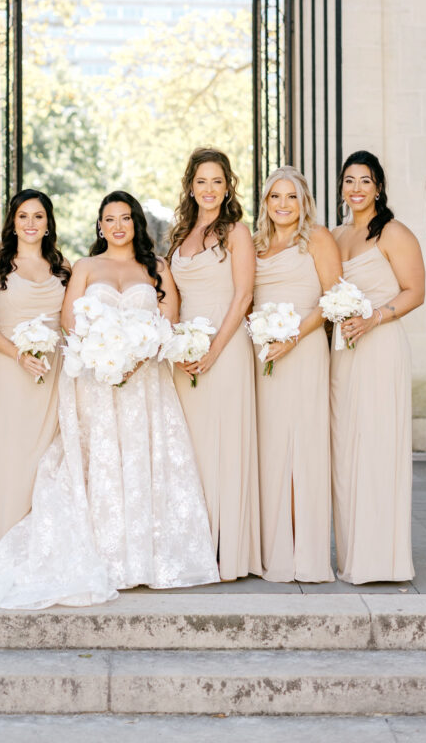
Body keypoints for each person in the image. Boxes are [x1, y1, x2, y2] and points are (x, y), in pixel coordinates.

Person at [0, 191, 218, 609]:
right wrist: (101, 354)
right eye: (109, 219)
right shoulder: (82, 266)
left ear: (136, 224)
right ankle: (106, 556)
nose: (117, 226)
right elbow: (68, 321)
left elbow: (170, 323)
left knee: (142, 462)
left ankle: (147, 561)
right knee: (100, 466)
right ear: (99, 226)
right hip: (95, 380)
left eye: (125, 218)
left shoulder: (158, 269)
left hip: (145, 383)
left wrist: (140, 356)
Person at [331, 150, 425, 583]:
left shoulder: (393, 232)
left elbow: (414, 291)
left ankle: (383, 559)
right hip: (345, 352)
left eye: (365, 181)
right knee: (348, 450)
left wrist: (375, 317)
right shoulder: (335, 236)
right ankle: (354, 555)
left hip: (382, 346)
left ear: (379, 187)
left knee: (378, 448)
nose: (356, 189)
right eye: (349, 180)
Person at [168, 147, 261, 581]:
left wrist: (213, 351)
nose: (209, 189)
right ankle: (195, 544)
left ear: (228, 188)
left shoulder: (236, 233)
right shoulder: (180, 234)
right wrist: (178, 347)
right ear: (191, 186)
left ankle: (229, 549)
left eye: (217, 182)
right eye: (201, 181)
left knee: (225, 443)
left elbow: (243, 297)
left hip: (224, 349)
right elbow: (173, 299)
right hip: (187, 355)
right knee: (193, 448)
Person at [253, 166, 342, 583]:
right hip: (264, 355)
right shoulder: (254, 245)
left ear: (303, 202)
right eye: (275, 197)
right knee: (270, 447)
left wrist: (292, 337)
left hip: (303, 350)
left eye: (291, 197)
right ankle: (275, 549)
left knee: (302, 444)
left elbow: (333, 298)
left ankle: (305, 552)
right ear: (265, 202)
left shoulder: (318, 239)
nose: (283, 205)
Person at [0, 189, 70, 554]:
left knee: (49, 459)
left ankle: (45, 545)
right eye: (23, 216)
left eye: (38, 217)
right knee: (14, 455)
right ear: (12, 223)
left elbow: (73, 323)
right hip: (12, 371)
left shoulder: (63, 269)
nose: (30, 224)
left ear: (48, 224)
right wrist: (18, 354)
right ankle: (6, 544)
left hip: (54, 373)